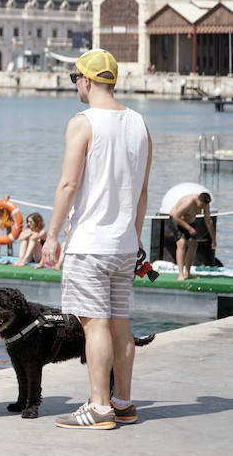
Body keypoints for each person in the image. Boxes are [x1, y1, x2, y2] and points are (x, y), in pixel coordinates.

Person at [41, 49, 152, 430]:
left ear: (86, 81)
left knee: (95, 325)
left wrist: (52, 235)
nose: (77, 85)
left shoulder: (82, 123)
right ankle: (123, 402)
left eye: (76, 79)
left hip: (90, 245)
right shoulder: (139, 123)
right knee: (120, 323)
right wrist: (135, 238)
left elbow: (69, 184)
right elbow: (142, 193)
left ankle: (100, 406)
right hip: (124, 243)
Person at [168, 191, 216, 281]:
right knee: (182, 243)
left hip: (189, 222)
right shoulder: (189, 202)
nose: (201, 208)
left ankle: (188, 272)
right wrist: (189, 229)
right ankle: (181, 274)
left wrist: (213, 239)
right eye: (200, 206)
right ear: (198, 199)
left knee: (193, 244)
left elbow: (208, 221)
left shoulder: (205, 204)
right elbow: (176, 216)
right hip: (177, 220)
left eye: (203, 207)